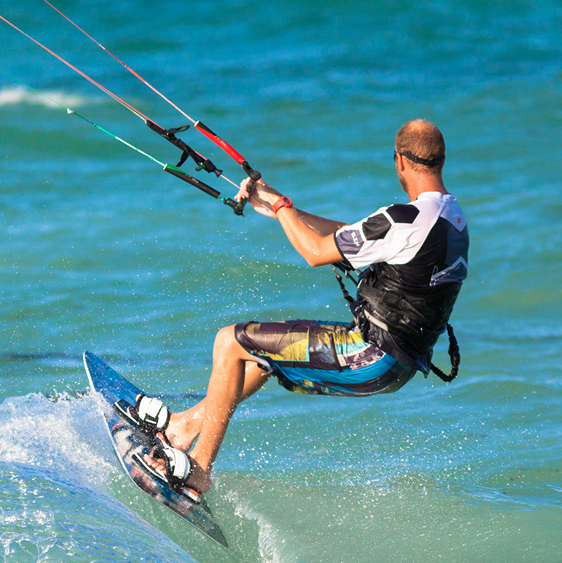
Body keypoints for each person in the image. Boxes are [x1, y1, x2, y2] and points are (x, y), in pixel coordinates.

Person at [126, 119, 468, 498]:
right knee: (258, 357)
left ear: (399, 162)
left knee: (229, 342)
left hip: (369, 356)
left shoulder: (405, 218)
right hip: (397, 364)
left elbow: (316, 252)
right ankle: (183, 428)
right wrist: (282, 211)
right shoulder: (452, 219)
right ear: (441, 161)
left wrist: (281, 205)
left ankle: (198, 471)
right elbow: (347, 234)